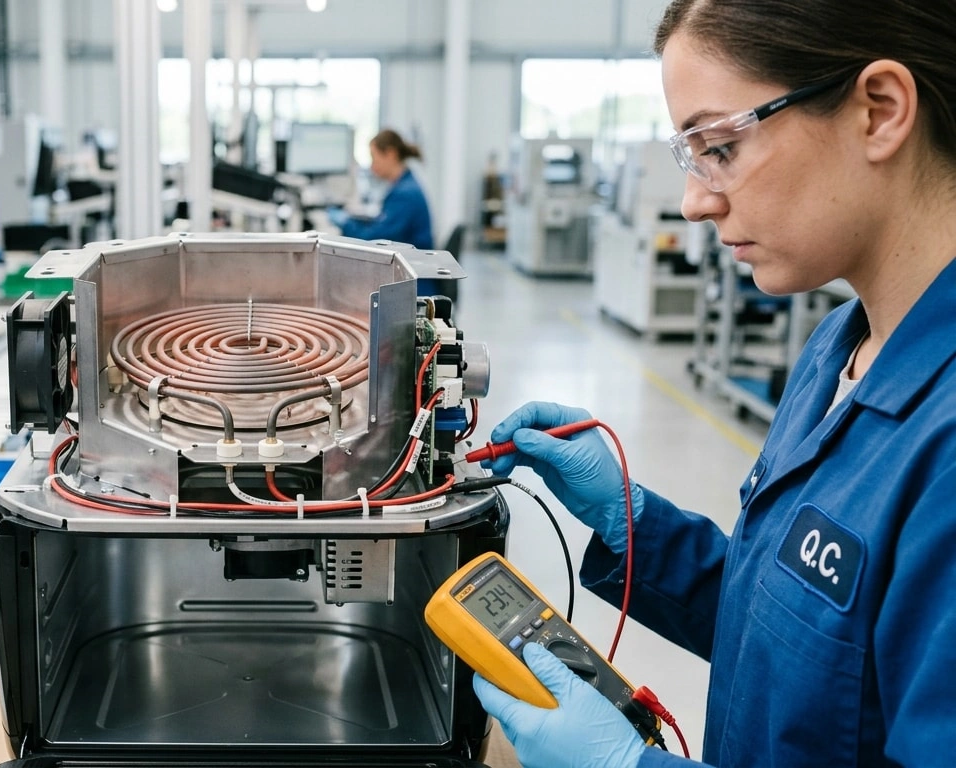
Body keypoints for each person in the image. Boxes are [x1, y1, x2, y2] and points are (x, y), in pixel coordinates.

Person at [470, 1, 956, 766]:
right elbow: (805, 635)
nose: (696, 200)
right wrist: (639, 531)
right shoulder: (840, 345)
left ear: (880, 111)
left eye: (719, 147)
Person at [329, 129, 434, 250]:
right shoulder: (405, 183)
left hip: (412, 262)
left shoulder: (405, 194)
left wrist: (345, 223)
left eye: (374, 158)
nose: (372, 166)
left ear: (391, 154)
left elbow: (374, 238)